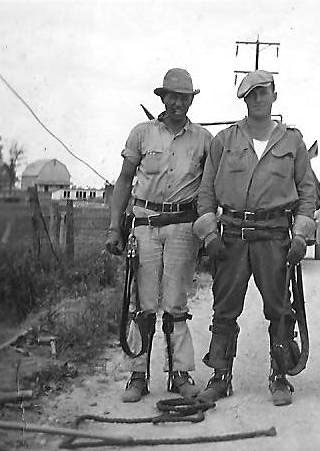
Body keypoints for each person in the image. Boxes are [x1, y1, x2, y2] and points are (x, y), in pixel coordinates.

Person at [192, 70, 315, 406]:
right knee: (225, 306)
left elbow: (307, 193)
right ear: (244, 100)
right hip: (231, 235)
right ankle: (220, 376)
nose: (258, 99)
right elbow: (206, 193)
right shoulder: (224, 141)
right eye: (251, 95)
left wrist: (301, 235)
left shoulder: (292, 142)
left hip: (274, 235)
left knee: (278, 307)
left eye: (263, 92)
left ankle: (279, 377)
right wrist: (208, 233)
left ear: (274, 94)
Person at [105, 68, 212, 403]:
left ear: (191, 100)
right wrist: (113, 227)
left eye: (184, 97)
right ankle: (138, 375)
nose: (178, 103)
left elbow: (210, 188)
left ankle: (180, 373)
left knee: (176, 302)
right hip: (145, 225)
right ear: (162, 98)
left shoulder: (204, 140)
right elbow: (124, 180)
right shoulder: (142, 134)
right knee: (144, 303)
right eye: (172, 96)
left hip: (183, 227)